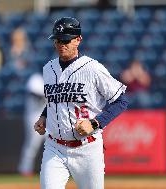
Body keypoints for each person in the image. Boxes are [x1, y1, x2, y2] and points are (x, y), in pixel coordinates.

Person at [34, 17, 129, 189]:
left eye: (65, 40)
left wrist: (95, 123)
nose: (60, 44)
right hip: (54, 147)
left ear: (78, 40)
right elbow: (56, 99)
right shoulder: (48, 68)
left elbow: (121, 101)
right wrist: (43, 116)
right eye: (57, 40)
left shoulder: (93, 68)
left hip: (87, 148)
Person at [18, 72, 46, 177]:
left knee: (54, 143)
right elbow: (33, 93)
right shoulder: (36, 78)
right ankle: (25, 169)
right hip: (34, 117)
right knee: (32, 145)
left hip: (48, 118)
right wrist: (47, 95)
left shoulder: (54, 80)